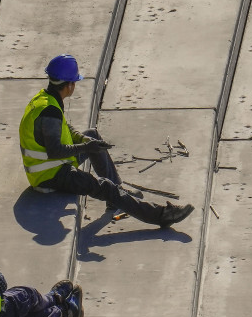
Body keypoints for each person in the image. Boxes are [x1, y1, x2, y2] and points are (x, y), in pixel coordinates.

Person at [19, 54, 194, 228]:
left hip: (52, 166)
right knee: (103, 187)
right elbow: (55, 151)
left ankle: (117, 192)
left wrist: (86, 140)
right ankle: (161, 215)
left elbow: (66, 129)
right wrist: (86, 147)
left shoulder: (45, 99)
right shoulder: (50, 112)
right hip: (50, 175)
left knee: (93, 135)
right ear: (69, 85)